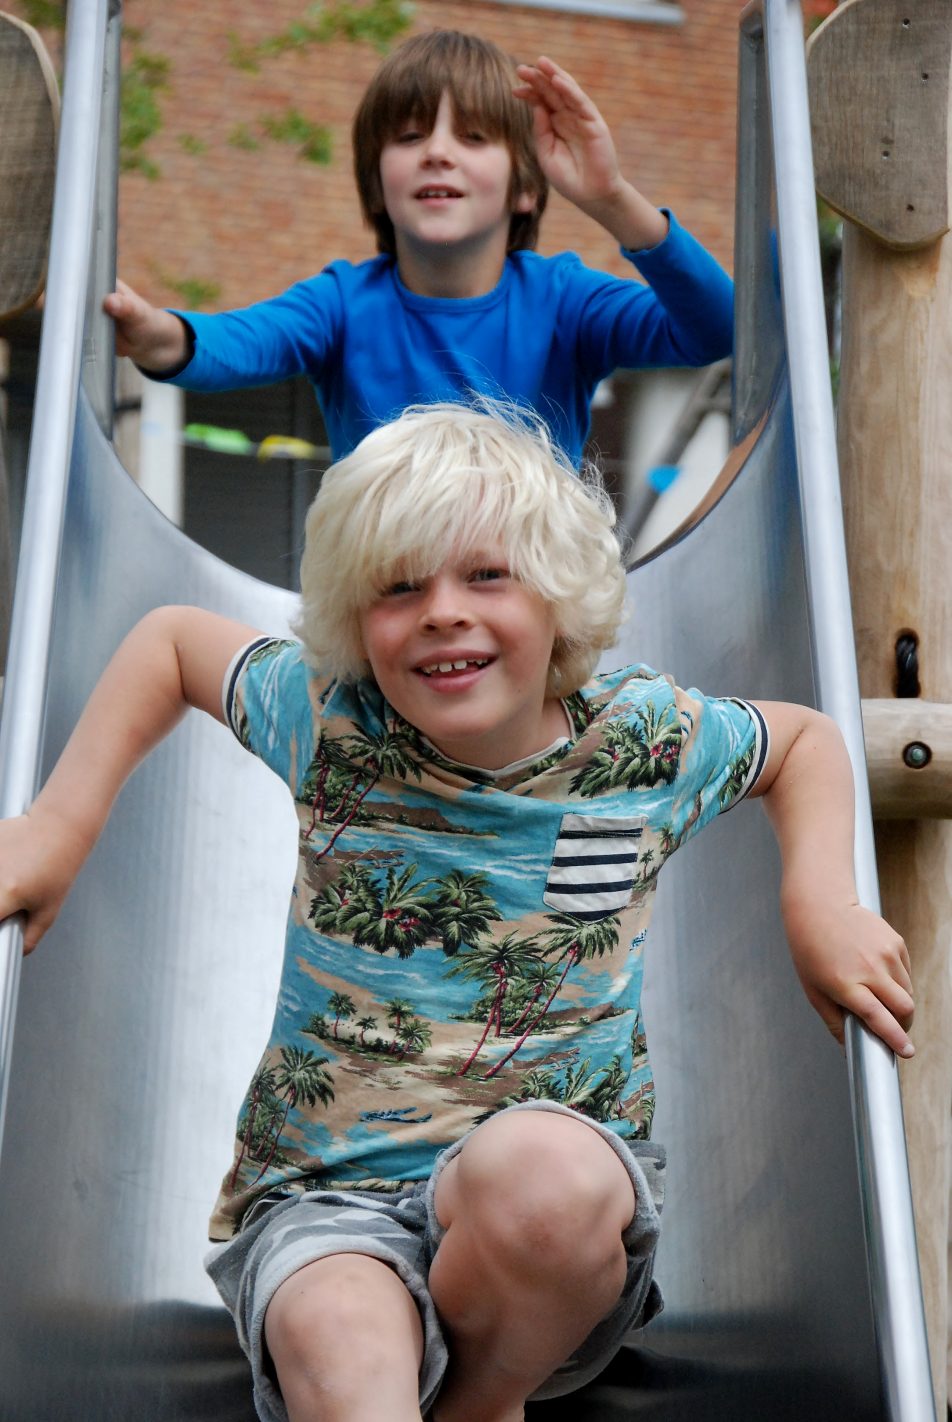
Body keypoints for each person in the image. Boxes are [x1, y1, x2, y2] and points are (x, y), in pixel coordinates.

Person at [0, 403, 913, 1422]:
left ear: (561, 598)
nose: (442, 612)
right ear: (355, 618)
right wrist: (56, 828)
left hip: (550, 1248)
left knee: (543, 1172)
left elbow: (798, 745)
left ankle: (484, 1398)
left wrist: (819, 898)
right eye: (398, 587)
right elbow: (171, 643)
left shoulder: (641, 744)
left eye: (487, 576)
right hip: (322, 1206)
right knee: (342, 1340)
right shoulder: (328, 718)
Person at [102, 30, 733, 465]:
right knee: (170, 634)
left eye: (474, 136)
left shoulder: (564, 302)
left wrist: (610, 197)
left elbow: (720, 328)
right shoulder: (343, 304)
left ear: (525, 187)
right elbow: (244, 341)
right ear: (377, 184)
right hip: (385, 612)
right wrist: (157, 335)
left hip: (530, 619)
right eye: (408, 135)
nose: (437, 151)